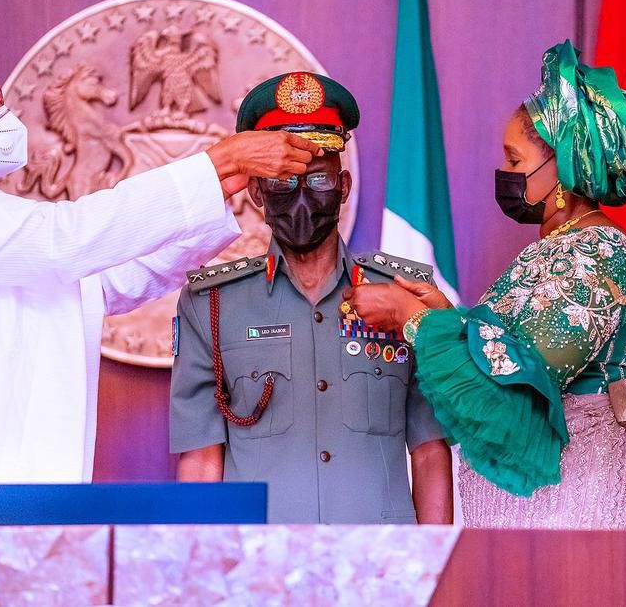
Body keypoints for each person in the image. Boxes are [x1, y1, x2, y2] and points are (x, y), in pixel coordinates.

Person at [0, 32, 321, 530]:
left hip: (0, 508)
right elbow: (62, 242)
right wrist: (216, 162)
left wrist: (219, 192)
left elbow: (107, 282)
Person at [346, 40, 626, 529]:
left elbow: (525, 378)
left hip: (590, 496)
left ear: (562, 167)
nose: (504, 174)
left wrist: (414, 319)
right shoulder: (557, 246)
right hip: (555, 497)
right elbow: (508, 346)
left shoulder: (599, 250)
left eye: (514, 160)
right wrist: (444, 315)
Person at [170, 72, 453, 524]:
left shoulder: (404, 297)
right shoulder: (212, 306)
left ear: (344, 187)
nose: (302, 196)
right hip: (262, 558)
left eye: (319, 179)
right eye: (284, 181)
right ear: (258, 191)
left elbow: (429, 451)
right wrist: (203, 560)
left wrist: (433, 555)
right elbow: (202, 460)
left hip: (379, 557)